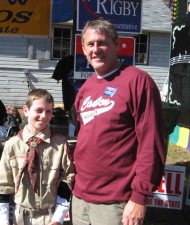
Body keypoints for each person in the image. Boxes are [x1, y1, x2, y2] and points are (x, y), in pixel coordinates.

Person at [71, 18, 166, 225]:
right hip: (80, 196)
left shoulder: (138, 82)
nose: (96, 49)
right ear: (83, 49)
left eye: (102, 43)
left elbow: (152, 143)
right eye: (90, 44)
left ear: (117, 44)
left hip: (115, 201)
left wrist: (139, 197)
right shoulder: (86, 87)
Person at [0, 89, 75, 225]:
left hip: (51, 216)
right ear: (26, 110)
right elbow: (2, 186)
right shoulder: (13, 145)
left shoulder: (60, 144)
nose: (44, 116)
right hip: (21, 217)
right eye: (38, 110)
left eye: (49, 111)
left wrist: (58, 218)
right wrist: (3, 222)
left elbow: (67, 181)